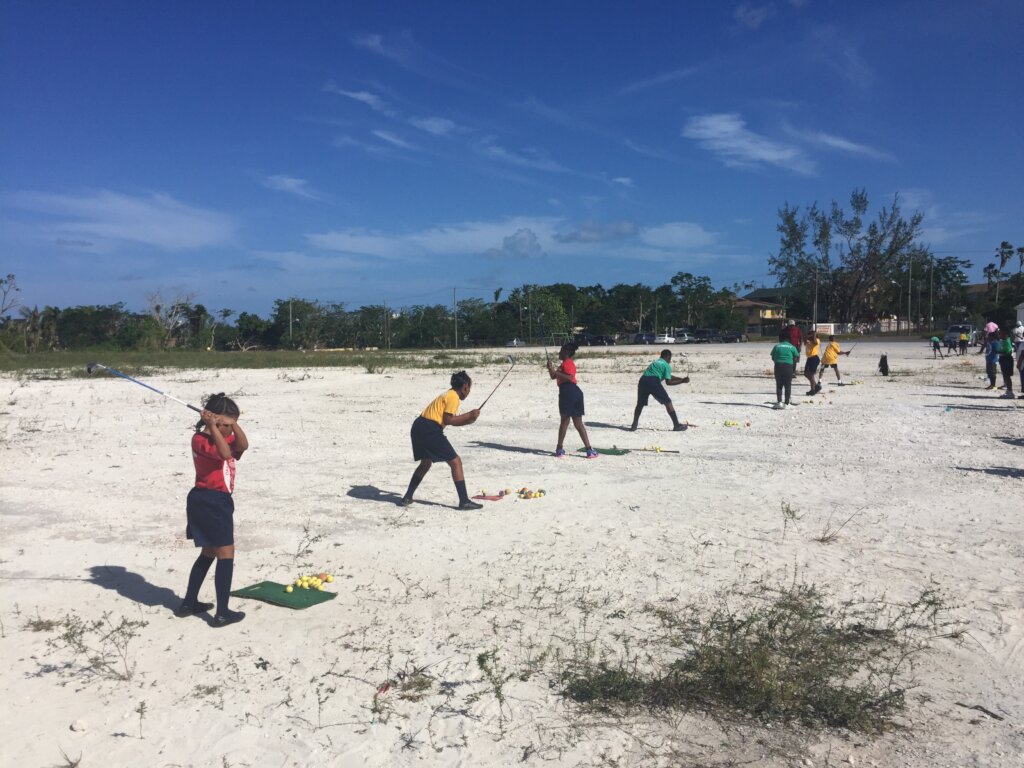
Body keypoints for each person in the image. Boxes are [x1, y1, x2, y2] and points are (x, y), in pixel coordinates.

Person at [177, 393, 249, 628]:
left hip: (211, 501)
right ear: (215, 422)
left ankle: (188, 603)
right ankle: (222, 613)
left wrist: (232, 425)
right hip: (211, 501)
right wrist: (213, 425)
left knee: (208, 552)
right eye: (228, 424)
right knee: (226, 554)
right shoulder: (200, 440)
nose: (231, 429)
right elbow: (225, 454)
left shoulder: (224, 437)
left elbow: (243, 446)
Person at [399, 371, 483, 510]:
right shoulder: (453, 396)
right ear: (465, 387)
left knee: (425, 463)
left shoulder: (447, 394)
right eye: (469, 388)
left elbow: (450, 420)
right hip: (430, 429)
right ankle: (464, 501)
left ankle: (407, 497)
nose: (469, 392)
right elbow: (448, 420)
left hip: (418, 426)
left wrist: (469, 420)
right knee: (456, 462)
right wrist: (469, 415)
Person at [547, 343, 598, 458]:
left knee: (565, 422)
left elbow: (570, 377)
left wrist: (555, 372)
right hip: (573, 393)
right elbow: (554, 376)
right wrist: (551, 369)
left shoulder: (568, 363)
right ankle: (589, 450)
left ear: (566, 352)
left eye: (561, 350)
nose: (559, 353)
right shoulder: (563, 364)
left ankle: (559, 449)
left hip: (568, 392)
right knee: (578, 424)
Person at [629, 349, 690, 431]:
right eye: (670, 359)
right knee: (668, 402)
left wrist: (681, 379)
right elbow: (668, 382)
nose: (670, 361)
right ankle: (676, 425)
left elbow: (668, 376)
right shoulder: (666, 365)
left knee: (640, 404)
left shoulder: (655, 363)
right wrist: (682, 381)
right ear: (668, 357)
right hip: (654, 382)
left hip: (643, 380)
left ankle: (634, 425)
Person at [770, 337, 800, 409]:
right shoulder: (792, 347)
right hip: (788, 366)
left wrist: (778, 361)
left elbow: (773, 357)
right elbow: (796, 357)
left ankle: (779, 402)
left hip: (778, 366)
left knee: (779, 385)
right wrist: (792, 365)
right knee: (787, 385)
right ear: (789, 340)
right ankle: (786, 403)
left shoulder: (776, 346)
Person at [996, 329, 1016, 398]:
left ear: (1005, 334)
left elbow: (1008, 352)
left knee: (1007, 376)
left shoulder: (1007, 341)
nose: (999, 335)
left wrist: (997, 352)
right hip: (1003, 359)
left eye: (1000, 333)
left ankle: (1010, 392)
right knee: (1005, 376)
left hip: (1007, 359)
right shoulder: (1003, 341)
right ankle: (1008, 390)